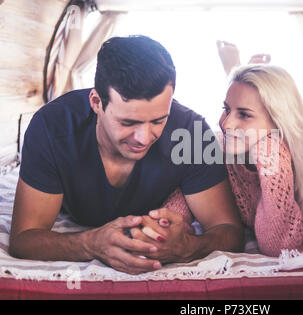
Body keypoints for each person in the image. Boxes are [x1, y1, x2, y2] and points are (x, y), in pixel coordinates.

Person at [9, 35, 244, 275]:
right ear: (96, 102)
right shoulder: (51, 127)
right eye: (128, 122)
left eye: (159, 120)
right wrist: (90, 243)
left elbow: (229, 230)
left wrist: (188, 247)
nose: (143, 138)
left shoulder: (192, 132)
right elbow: (24, 238)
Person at [140, 64, 303, 257]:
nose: (226, 123)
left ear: (279, 120)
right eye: (226, 109)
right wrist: (166, 230)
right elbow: (174, 214)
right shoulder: (213, 148)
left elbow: (282, 247)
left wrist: (272, 153)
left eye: (245, 114)